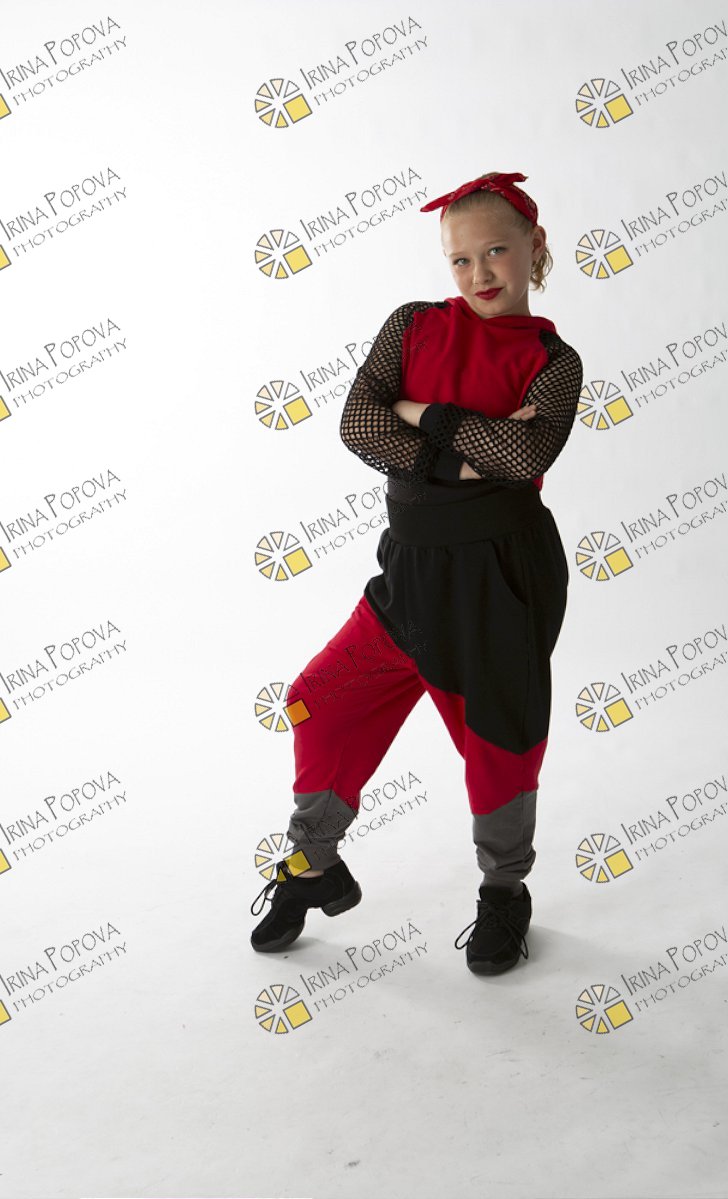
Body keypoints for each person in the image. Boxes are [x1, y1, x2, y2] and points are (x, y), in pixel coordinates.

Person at [249, 171, 583, 976]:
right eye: (460, 259)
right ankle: (313, 863)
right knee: (318, 699)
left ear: (533, 246)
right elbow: (357, 424)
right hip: (408, 577)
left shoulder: (553, 361)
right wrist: (464, 452)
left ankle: (504, 891)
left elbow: (523, 455)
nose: (478, 274)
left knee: (500, 746)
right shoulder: (412, 326)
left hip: (500, 581)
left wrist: (422, 416)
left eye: (495, 251)